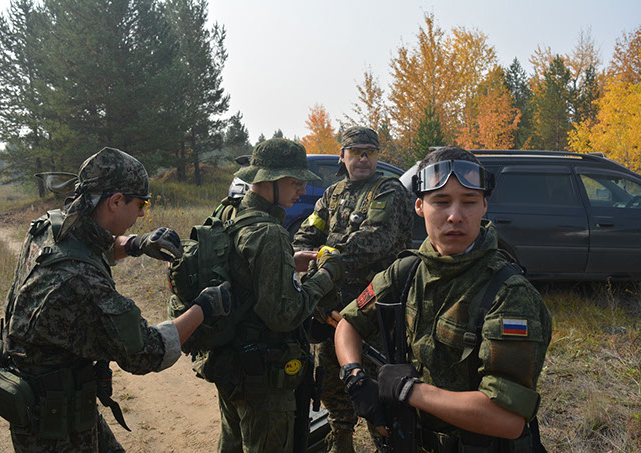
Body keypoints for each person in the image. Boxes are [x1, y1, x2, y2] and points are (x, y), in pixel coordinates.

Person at [0, 147, 231, 452]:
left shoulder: (49, 226)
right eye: (141, 203)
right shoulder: (81, 282)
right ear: (116, 201)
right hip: (54, 425)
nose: (143, 213)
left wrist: (136, 244)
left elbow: (87, 243)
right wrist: (204, 307)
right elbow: (146, 351)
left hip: (57, 398)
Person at [334, 147, 552, 452]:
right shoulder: (408, 270)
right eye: (441, 202)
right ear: (420, 206)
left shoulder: (508, 293)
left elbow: (507, 418)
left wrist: (408, 391)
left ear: (484, 206)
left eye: (469, 202)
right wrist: (354, 376)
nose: (455, 216)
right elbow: (349, 323)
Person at [203, 138, 344, 453]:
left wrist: (287, 263)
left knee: (232, 442)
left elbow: (239, 271)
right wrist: (325, 275)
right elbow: (284, 315)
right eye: (295, 182)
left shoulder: (229, 212)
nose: (302, 190)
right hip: (263, 375)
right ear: (268, 181)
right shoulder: (269, 233)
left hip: (229, 360)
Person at [292, 126, 414, 452]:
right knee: (331, 379)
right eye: (356, 152)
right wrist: (303, 252)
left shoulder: (388, 190)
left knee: (379, 383)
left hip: (376, 307)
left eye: (369, 153)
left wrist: (322, 260)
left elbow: (374, 240)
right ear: (342, 156)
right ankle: (341, 437)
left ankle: (386, 442)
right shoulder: (332, 194)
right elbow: (309, 231)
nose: (362, 159)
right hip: (334, 305)